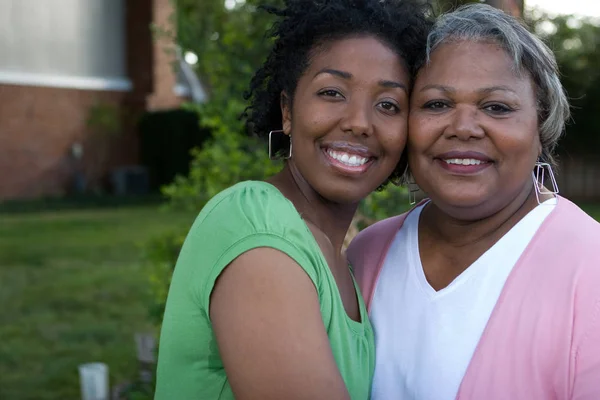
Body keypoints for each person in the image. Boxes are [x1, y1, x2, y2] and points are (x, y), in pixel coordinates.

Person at [154, 1, 431, 399]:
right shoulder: (257, 226)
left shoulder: (342, 262)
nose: (359, 121)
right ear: (287, 110)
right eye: (332, 92)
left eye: (388, 104)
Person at [348, 4, 600, 400]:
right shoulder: (367, 255)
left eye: (496, 107)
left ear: (542, 125)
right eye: (436, 104)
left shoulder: (591, 268)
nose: (463, 127)